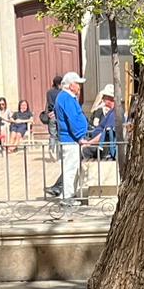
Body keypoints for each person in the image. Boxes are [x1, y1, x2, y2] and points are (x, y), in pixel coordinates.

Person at [48, 71, 92, 205]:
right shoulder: (66, 98)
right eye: (78, 84)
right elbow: (72, 118)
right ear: (71, 85)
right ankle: (67, 198)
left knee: (72, 169)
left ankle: (68, 196)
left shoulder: (66, 97)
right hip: (71, 140)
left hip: (71, 139)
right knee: (70, 169)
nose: (79, 87)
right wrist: (80, 137)